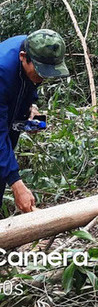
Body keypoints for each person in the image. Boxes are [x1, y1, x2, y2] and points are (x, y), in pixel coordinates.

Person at [0, 29, 69, 216]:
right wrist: (16, 183)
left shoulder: (36, 47)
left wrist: (29, 107)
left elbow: (27, 84)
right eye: (40, 72)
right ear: (23, 57)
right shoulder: (2, 70)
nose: (43, 78)